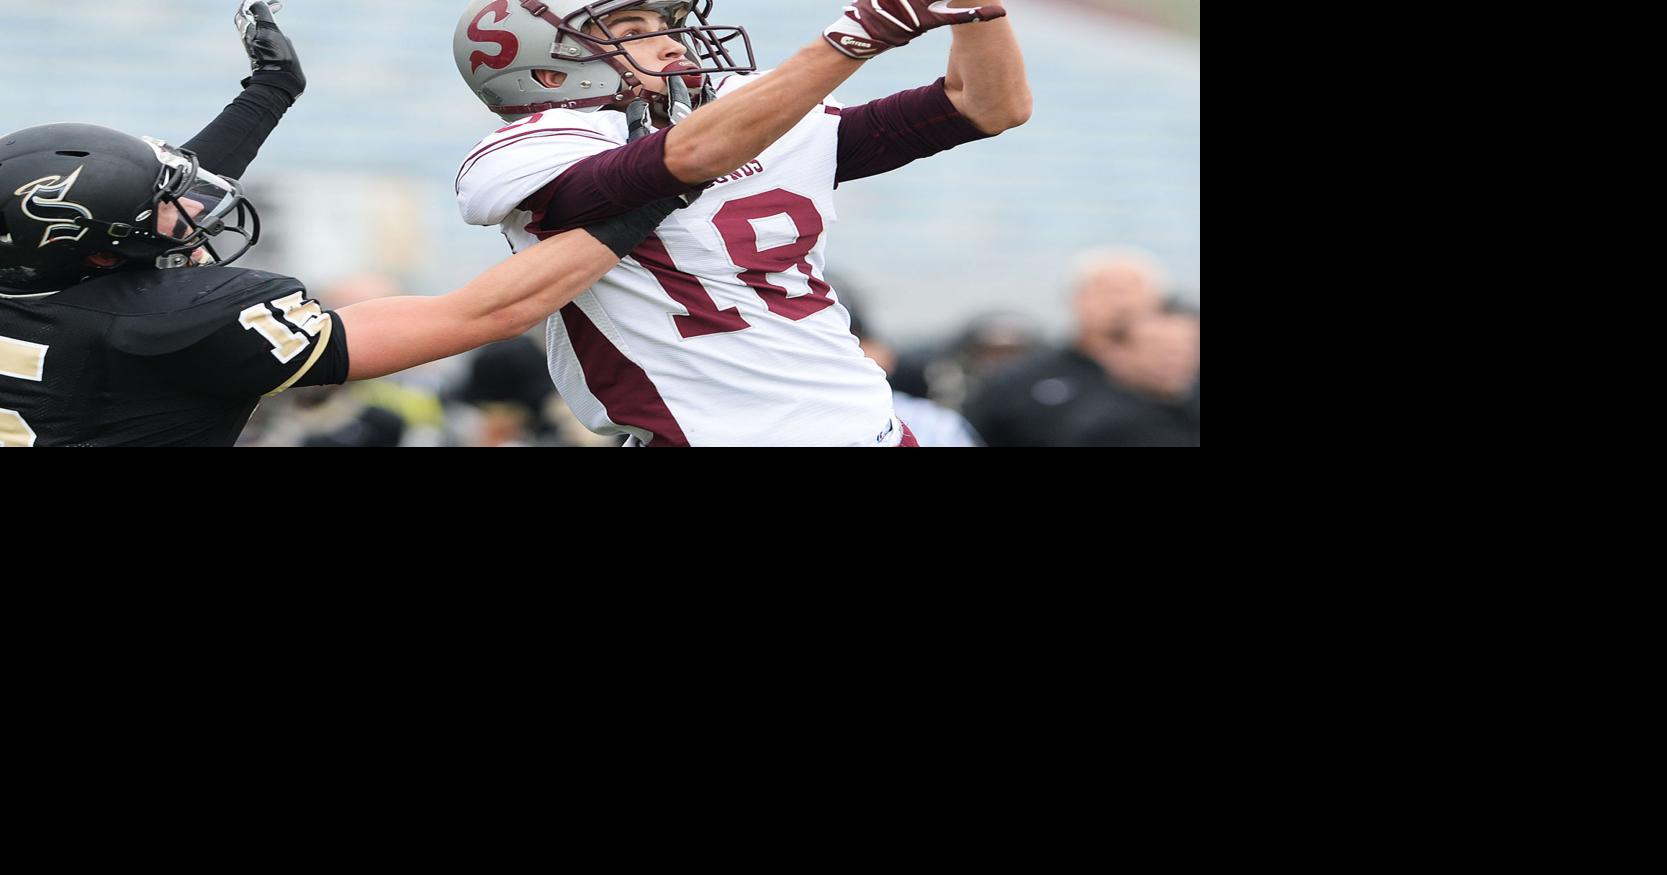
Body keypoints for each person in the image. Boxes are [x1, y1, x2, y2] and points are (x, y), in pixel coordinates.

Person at [0, 3, 679, 447]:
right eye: (168, 213)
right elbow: (489, 312)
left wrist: (268, 94)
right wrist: (664, 183)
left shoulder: (37, 272)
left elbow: (125, 214)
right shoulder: (176, 321)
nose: (196, 214)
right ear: (99, 255)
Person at [453, 0, 1030, 446]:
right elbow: (681, 161)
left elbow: (987, 105)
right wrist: (855, 36)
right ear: (550, 74)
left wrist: (976, 12)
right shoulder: (530, 151)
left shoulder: (740, 118)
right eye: (633, 32)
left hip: (868, 424)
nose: (672, 43)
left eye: (666, 24)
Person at [963, 249, 1202, 447]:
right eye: (1106, 290)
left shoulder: (1180, 382)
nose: (1121, 303)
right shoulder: (1020, 379)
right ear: (1075, 298)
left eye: (1133, 290)